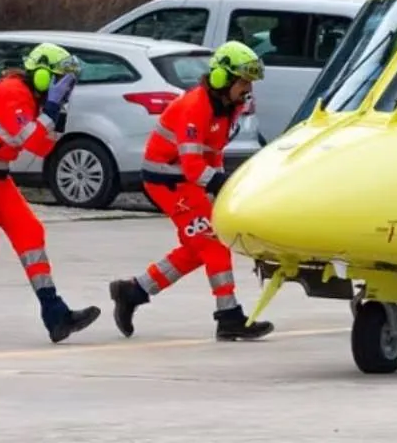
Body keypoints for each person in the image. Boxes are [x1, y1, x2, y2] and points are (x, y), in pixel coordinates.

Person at [107, 40, 274, 341]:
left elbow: (213, 155)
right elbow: (193, 165)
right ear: (223, 79)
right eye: (244, 81)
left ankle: (133, 291)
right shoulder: (196, 106)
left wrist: (220, 182)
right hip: (167, 181)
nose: (248, 89)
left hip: (183, 181)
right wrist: (223, 184)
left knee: (198, 249)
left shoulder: (228, 107)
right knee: (213, 242)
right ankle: (228, 317)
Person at [0, 42, 101, 343]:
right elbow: (28, 139)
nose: (64, 87)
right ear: (41, 75)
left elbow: (42, 146)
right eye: (59, 80)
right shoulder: (12, 92)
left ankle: (55, 313)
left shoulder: (31, 99)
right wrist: (51, 111)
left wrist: (57, 115)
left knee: (29, 233)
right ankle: (55, 313)